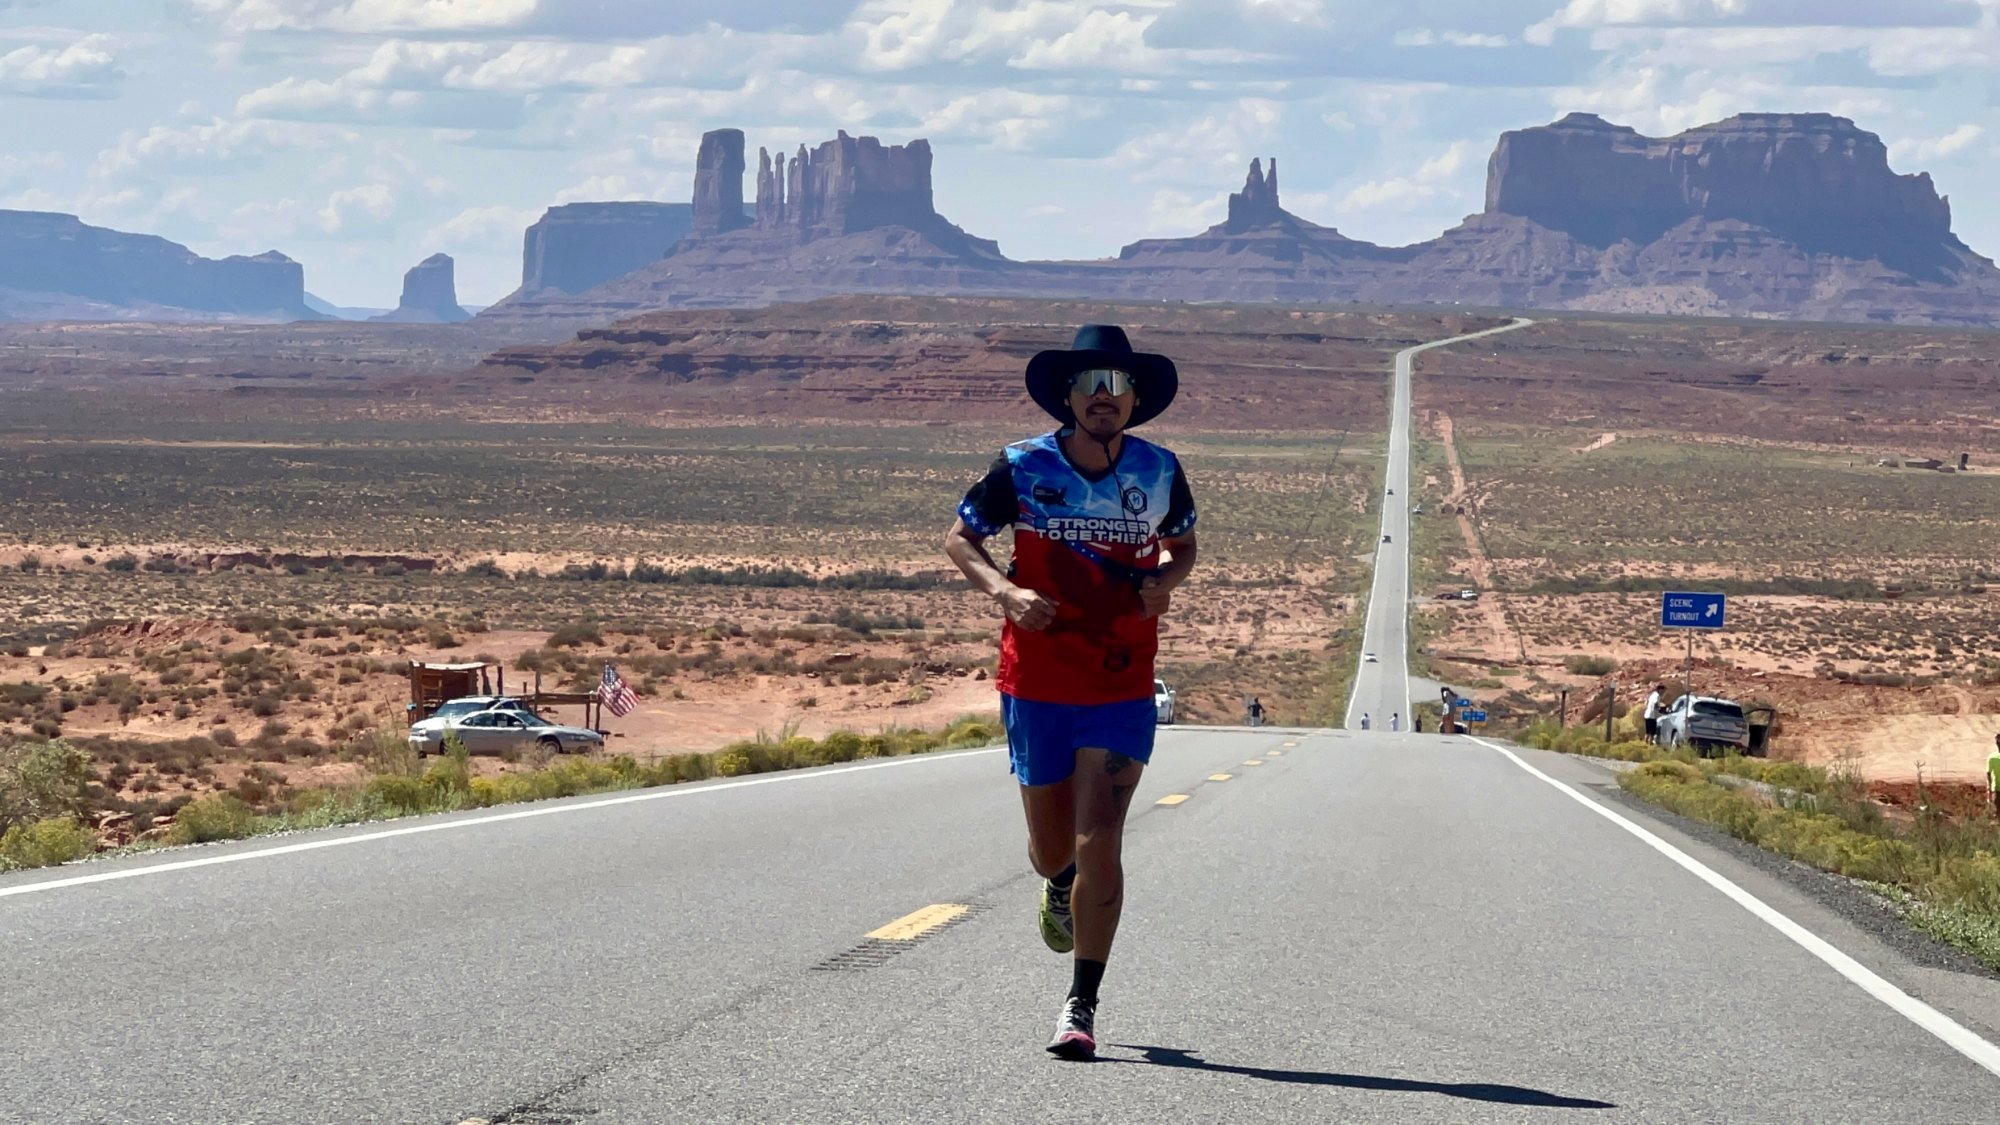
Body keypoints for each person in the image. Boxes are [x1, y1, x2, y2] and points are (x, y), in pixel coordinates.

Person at [945, 323, 1198, 1061]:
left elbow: (1185, 546)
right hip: (1038, 679)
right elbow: (960, 538)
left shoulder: (1160, 470)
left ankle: (1081, 1004)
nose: (1104, 397)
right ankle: (1057, 882)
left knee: (1103, 838)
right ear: (1068, 395)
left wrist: (1166, 583)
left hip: (1120, 680)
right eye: (1090, 384)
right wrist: (1005, 590)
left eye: (1117, 386)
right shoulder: (1021, 466)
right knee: (1054, 846)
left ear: (1135, 400)